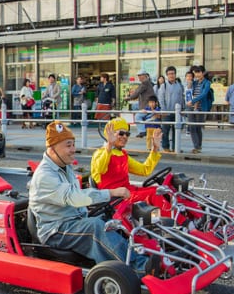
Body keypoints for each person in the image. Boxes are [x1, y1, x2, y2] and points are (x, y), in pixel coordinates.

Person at [30, 121, 150, 275]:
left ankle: (147, 252)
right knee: (95, 227)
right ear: (52, 149)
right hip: (56, 230)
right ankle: (139, 267)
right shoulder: (45, 175)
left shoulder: (64, 166)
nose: (73, 150)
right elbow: (75, 198)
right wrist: (111, 192)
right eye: (68, 145)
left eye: (73, 144)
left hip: (74, 219)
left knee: (114, 220)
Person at [90, 117, 170, 213]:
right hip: (115, 198)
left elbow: (145, 170)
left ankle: (179, 217)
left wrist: (155, 148)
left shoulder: (122, 154)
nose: (125, 136)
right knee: (155, 195)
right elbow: (100, 169)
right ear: (109, 135)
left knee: (162, 191)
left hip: (128, 192)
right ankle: (174, 220)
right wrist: (109, 146)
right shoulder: (100, 153)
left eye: (127, 134)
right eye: (121, 133)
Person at [187, 65, 213, 154]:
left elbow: (204, 94)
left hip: (201, 108)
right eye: (195, 73)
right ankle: (196, 146)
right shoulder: (194, 83)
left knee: (198, 127)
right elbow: (189, 91)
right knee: (192, 127)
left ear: (203, 73)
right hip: (191, 107)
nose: (197, 75)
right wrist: (189, 81)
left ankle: (198, 146)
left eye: (199, 72)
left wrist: (193, 101)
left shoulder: (207, 83)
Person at [159, 67, 185, 152]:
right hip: (166, 112)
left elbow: (182, 98)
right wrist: (163, 110)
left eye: (173, 73)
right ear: (167, 75)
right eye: (169, 74)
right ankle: (166, 147)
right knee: (165, 130)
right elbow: (161, 99)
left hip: (177, 112)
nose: (171, 75)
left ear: (175, 74)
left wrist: (182, 109)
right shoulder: (164, 86)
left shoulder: (180, 85)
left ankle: (175, 147)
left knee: (176, 130)